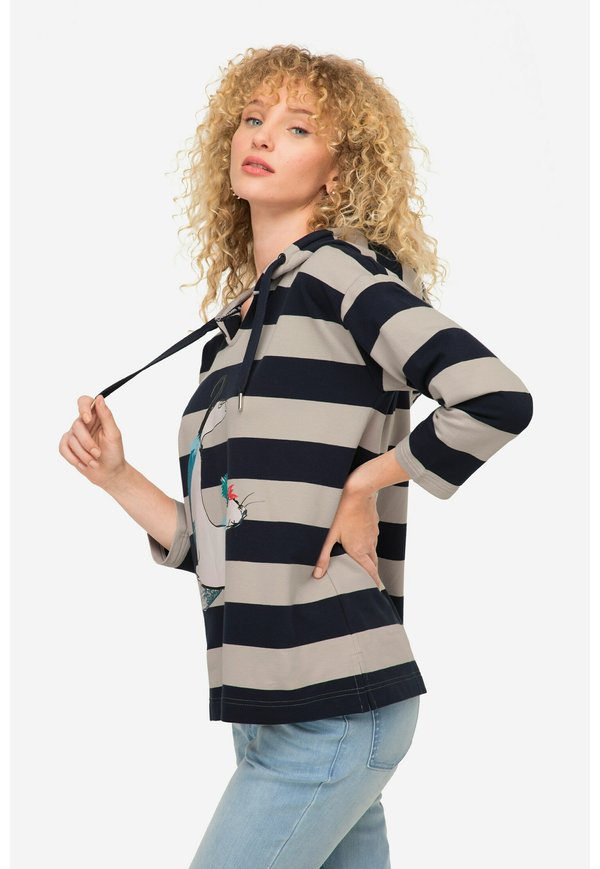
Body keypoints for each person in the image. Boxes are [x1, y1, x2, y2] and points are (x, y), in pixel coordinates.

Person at [58, 45, 534, 869]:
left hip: (331, 705)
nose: (264, 135)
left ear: (339, 170)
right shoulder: (236, 332)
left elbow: (492, 395)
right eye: (253, 118)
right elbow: (223, 545)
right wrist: (116, 477)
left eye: (298, 127)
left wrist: (365, 483)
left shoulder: (342, 278)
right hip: (269, 708)